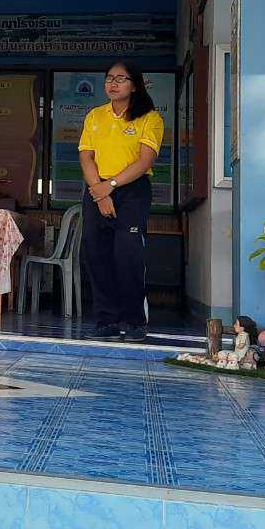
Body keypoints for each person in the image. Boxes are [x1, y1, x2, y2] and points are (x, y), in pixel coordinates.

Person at [78, 60, 164, 343]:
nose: (113, 83)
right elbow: (86, 157)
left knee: (128, 256)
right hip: (97, 189)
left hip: (131, 191)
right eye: (109, 78)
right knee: (97, 255)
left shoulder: (149, 118)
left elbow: (145, 160)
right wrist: (99, 191)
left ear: (134, 85)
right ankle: (107, 321)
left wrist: (111, 186)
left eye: (120, 78)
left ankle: (135, 321)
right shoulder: (95, 116)